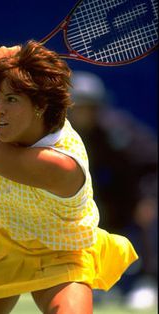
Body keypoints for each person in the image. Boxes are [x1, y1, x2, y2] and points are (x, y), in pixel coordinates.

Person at [0, 41, 138, 314]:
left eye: (11, 99)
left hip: (61, 253)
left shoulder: (58, 163)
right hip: (3, 241)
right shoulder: (11, 129)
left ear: (40, 105)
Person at [68, 71, 158, 307]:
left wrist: (148, 200)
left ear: (96, 107)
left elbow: (151, 164)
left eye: (84, 106)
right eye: (74, 106)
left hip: (142, 189)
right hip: (110, 195)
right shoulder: (70, 134)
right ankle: (99, 283)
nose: (78, 112)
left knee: (146, 221)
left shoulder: (116, 130)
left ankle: (147, 282)